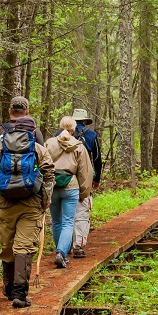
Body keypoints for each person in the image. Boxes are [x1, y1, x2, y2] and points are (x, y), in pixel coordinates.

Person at [0, 116, 55, 308]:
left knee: (8, 245)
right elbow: (49, 174)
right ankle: (20, 295)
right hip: (30, 204)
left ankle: (9, 287)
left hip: (4, 203)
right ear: (32, 132)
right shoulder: (38, 149)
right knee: (24, 247)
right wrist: (46, 200)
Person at [44, 116, 93, 268]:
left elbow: (43, 166)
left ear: (60, 127)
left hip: (53, 186)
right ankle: (61, 253)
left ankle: (60, 250)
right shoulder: (78, 146)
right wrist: (84, 193)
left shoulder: (49, 143)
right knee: (67, 222)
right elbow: (85, 172)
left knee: (56, 221)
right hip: (71, 187)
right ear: (73, 130)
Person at [68, 108, 103, 258]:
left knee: (66, 215)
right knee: (81, 212)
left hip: (64, 179)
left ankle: (64, 246)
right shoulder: (90, 135)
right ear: (84, 120)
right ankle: (78, 247)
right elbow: (97, 159)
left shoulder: (59, 135)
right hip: (84, 179)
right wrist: (96, 178)